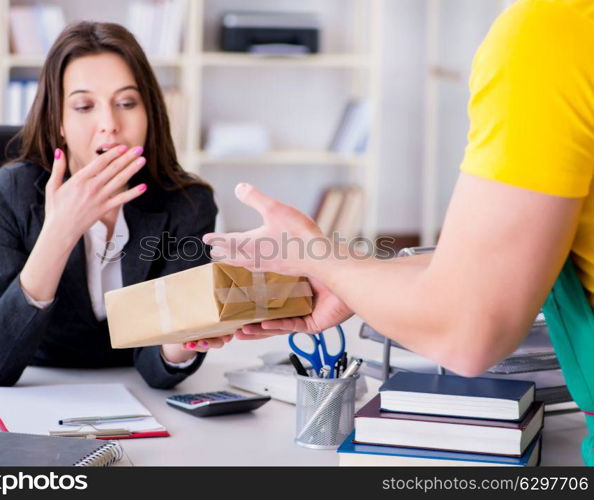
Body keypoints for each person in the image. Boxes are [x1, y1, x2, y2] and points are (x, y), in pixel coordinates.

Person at [203, 0, 594, 464]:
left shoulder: (553, 32)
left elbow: (466, 334)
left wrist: (317, 255)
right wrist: (354, 278)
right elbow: (505, 254)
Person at [0, 21, 231, 388]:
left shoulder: (188, 204)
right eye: (84, 105)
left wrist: (181, 345)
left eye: (126, 102)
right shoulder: (15, 191)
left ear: (149, 113)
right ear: (58, 120)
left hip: (142, 398)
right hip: (40, 393)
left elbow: (158, 368)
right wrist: (59, 232)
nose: (110, 124)